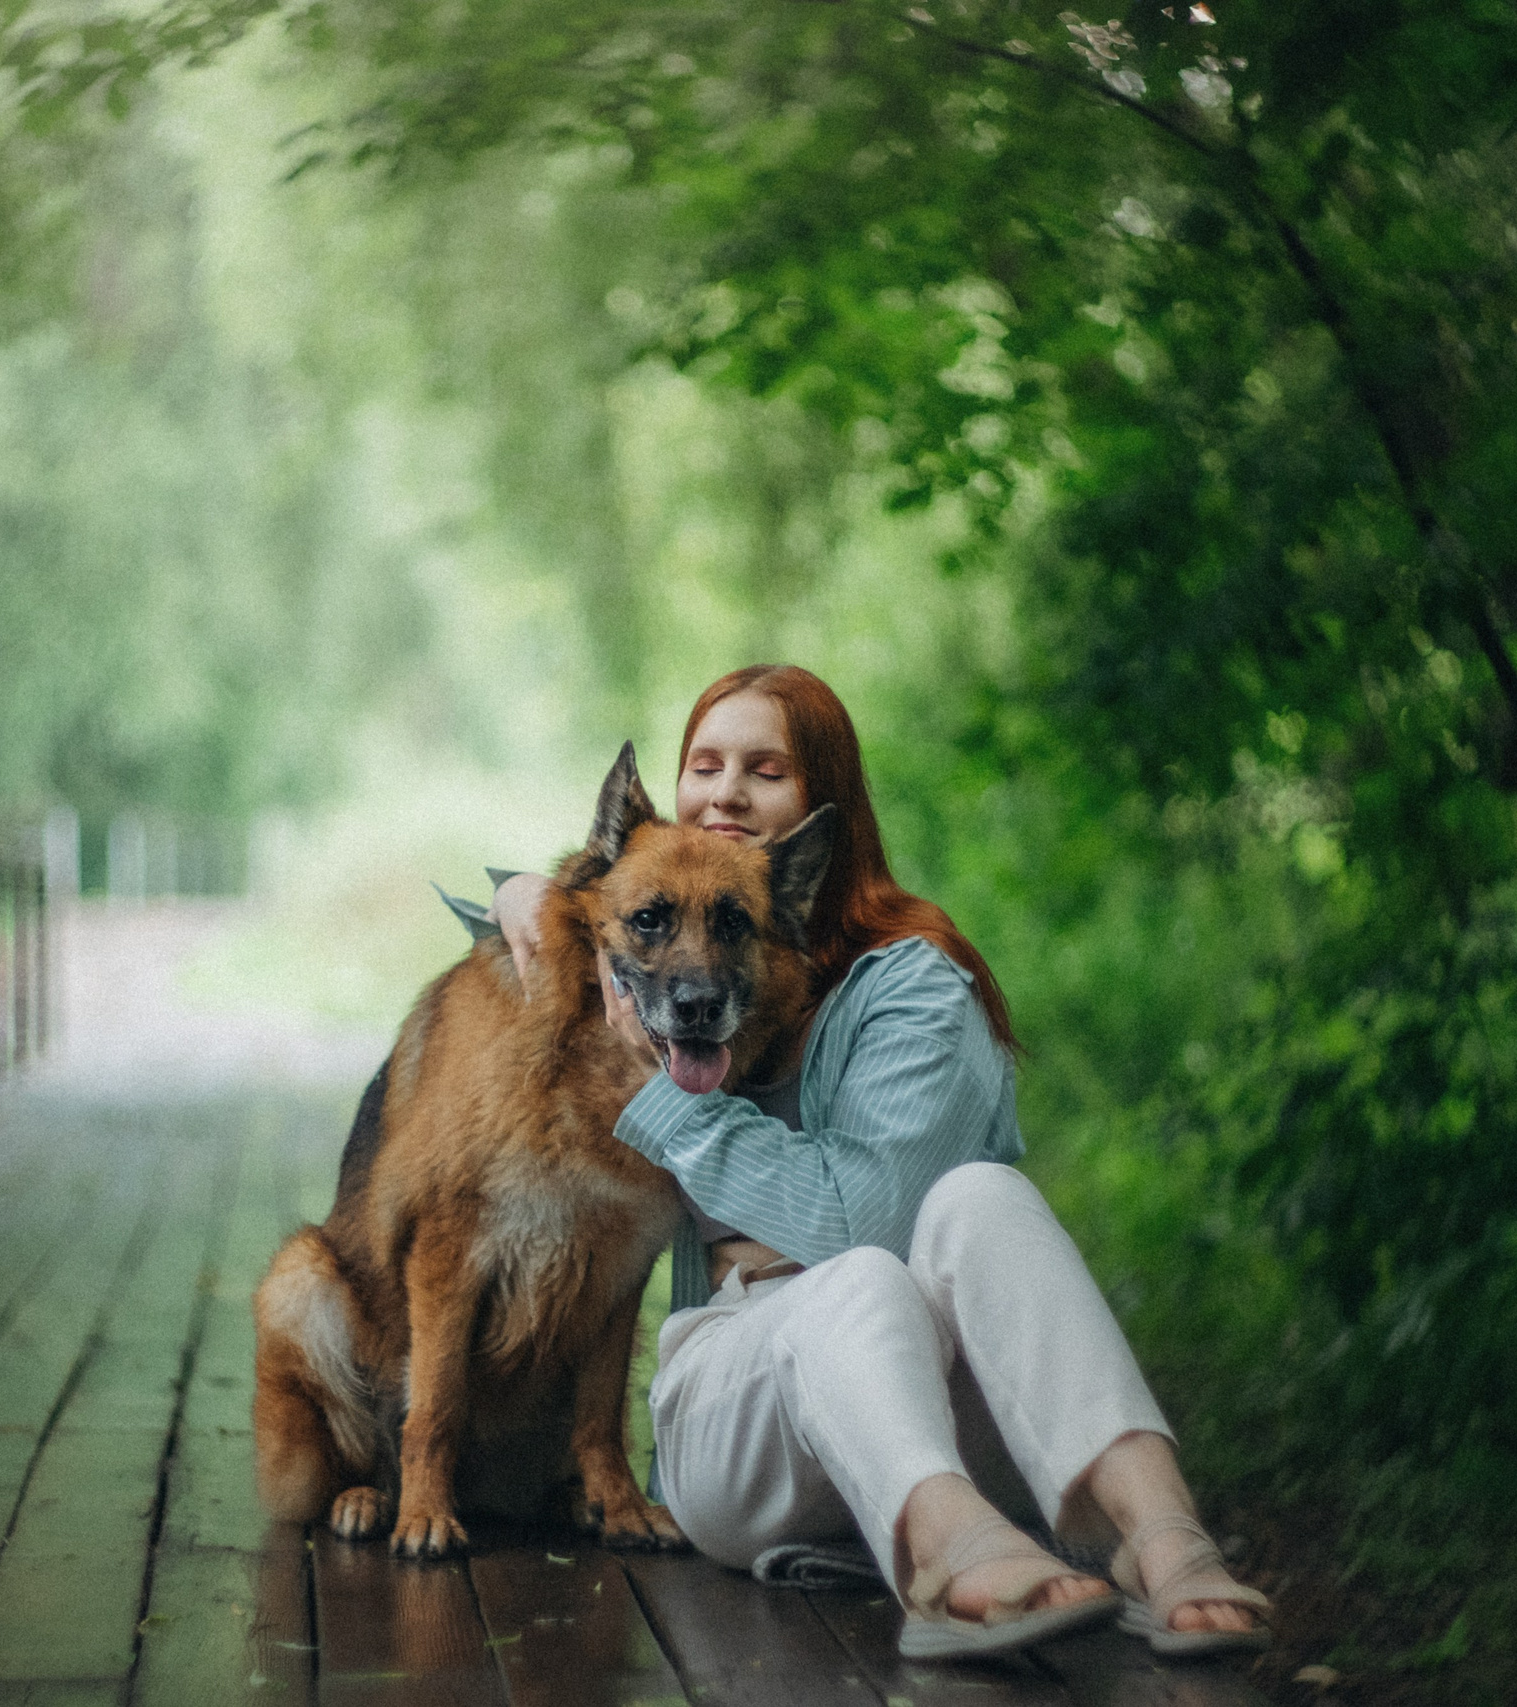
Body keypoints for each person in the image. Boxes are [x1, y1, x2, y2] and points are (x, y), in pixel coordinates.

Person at [489, 664, 1272, 1661]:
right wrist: (522, 890)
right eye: (704, 764)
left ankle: (1155, 1536)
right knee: (859, 1281)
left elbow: (860, 1223)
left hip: (946, 1403)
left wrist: (664, 1106)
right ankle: (946, 1558)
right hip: (745, 1426)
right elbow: (578, 915)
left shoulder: (912, 985)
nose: (725, 792)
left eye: (763, 770)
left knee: (976, 1202)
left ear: (825, 812)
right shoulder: (659, 952)